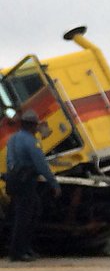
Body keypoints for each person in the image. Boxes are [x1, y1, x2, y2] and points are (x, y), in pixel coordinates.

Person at [5, 109, 61, 262]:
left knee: (34, 210)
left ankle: (25, 248)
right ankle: (18, 252)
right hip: (26, 182)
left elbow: (9, 162)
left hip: (15, 181)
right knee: (24, 217)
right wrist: (54, 183)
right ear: (32, 126)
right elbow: (41, 164)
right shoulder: (31, 141)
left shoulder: (13, 139)